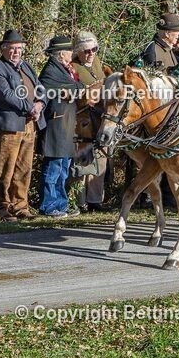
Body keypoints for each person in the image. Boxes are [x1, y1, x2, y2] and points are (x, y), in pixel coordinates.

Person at [0, 30, 46, 222]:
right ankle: (2, 207)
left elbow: (40, 88)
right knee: (5, 168)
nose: (16, 52)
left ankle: (20, 205)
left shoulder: (27, 66)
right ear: (3, 49)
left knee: (24, 168)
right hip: (10, 125)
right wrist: (31, 107)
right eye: (12, 49)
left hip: (29, 124)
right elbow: (7, 95)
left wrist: (40, 104)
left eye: (19, 49)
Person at [37, 36, 86, 218]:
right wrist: (73, 90)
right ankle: (48, 206)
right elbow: (70, 88)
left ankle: (61, 204)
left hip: (66, 124)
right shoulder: (51, 71)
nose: (71, 54)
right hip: (55, 124)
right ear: (61, 54)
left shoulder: (66, 70)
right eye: (69, 51)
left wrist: (72, 90)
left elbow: (79, 86)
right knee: (53, 168)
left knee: (63, 169)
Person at [71, 31, 111, 212]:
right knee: (82, 160)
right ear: (78, 51)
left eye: (94, 49)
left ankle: (95, 199)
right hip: (84, 119)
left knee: (101, 157)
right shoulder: (73, 67)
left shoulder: (96, 62)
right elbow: (75, 95)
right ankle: (79, 201)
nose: (91, 53)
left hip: (100, 116)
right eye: (86, 50)